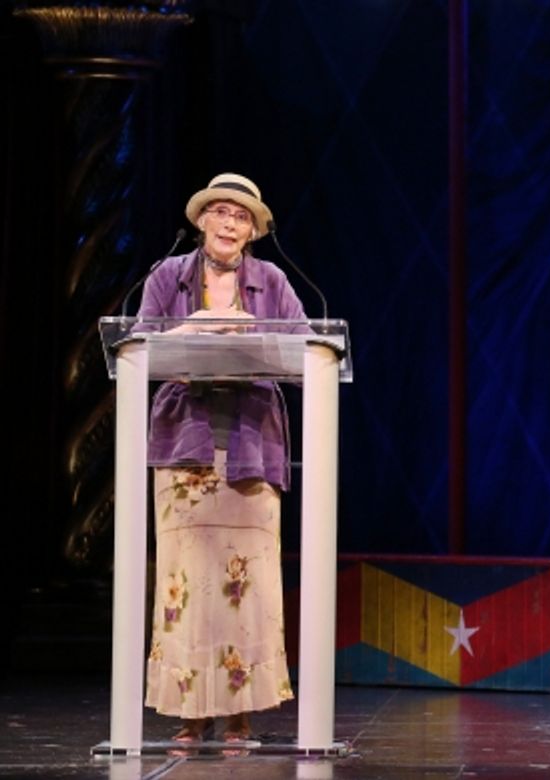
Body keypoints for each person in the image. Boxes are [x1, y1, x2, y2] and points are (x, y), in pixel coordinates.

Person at [138, 173, 306, 742]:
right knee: (186, 584)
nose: (230, 223)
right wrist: (191, 330)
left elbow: (309, 349)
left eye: (241, 216)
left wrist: (252, 335)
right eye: (221, 213)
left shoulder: (273, 281)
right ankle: (190, 714)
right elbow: (136, 348)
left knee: (247, 586)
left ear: (254, 229)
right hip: (184, 445)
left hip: (252, 447)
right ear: (202, 220)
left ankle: (239, 716)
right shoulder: (168, 276)